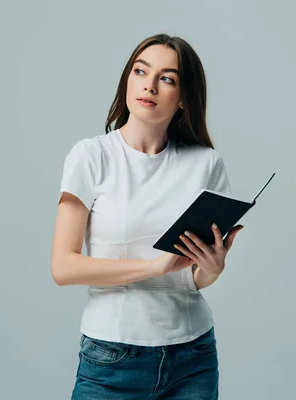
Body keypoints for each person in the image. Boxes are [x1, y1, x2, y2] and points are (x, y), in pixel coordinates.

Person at [51, 33, 245, 400]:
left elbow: (194, 277)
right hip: (112, 358)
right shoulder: (90, 157)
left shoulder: (206, 163)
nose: (149, 85)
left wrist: (213, 269)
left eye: (167, 78)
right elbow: (63, 267)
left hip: (194, 356)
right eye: (141, 71)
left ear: (184, 97)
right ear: (128, 78)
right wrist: (155, 267)